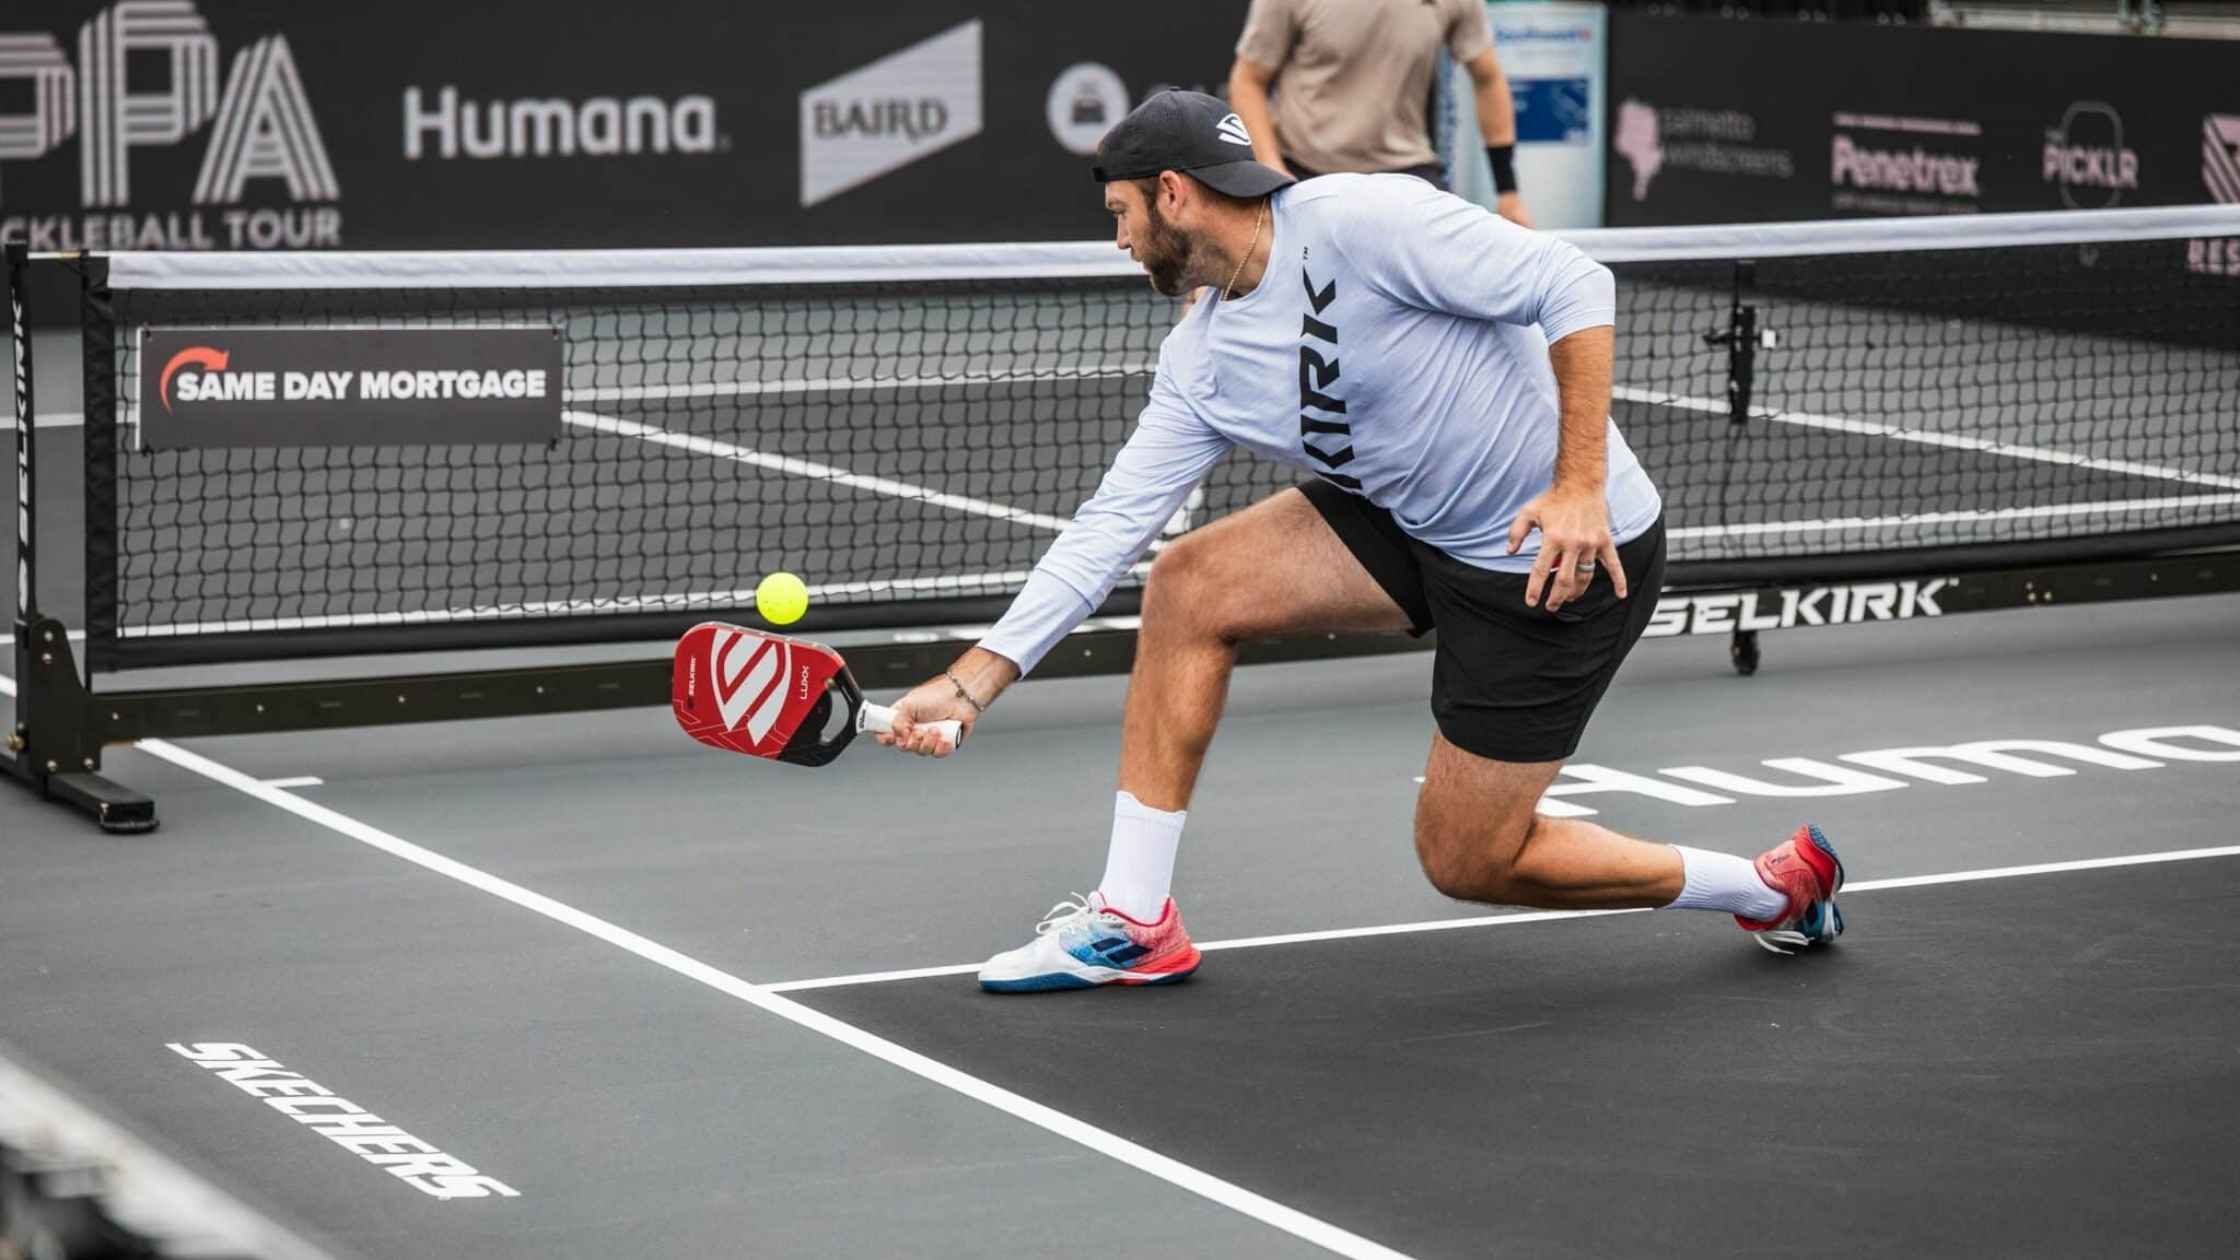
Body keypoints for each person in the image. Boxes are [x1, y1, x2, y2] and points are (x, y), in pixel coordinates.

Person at [879, 92, 1843, 992]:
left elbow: (1573, 280)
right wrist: (973, 682)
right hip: (1409, 520)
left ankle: (1766, 889)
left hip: (1559, 558)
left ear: (1174, 194)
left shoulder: (1357, 222)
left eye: (1123, 212)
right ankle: (1135, 921)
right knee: (1189, 585)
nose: (1122, 239)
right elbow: (1106, 529)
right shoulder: (1200, 361)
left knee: (1468, 860)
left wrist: (1580, 484)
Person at [1227, 0, 1532, 226]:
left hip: (1406, 172)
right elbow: (1247, 80)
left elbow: (1488, 78)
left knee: (1458, 275)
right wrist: (1272, 167)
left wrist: (1508, 192)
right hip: (1305, 172)